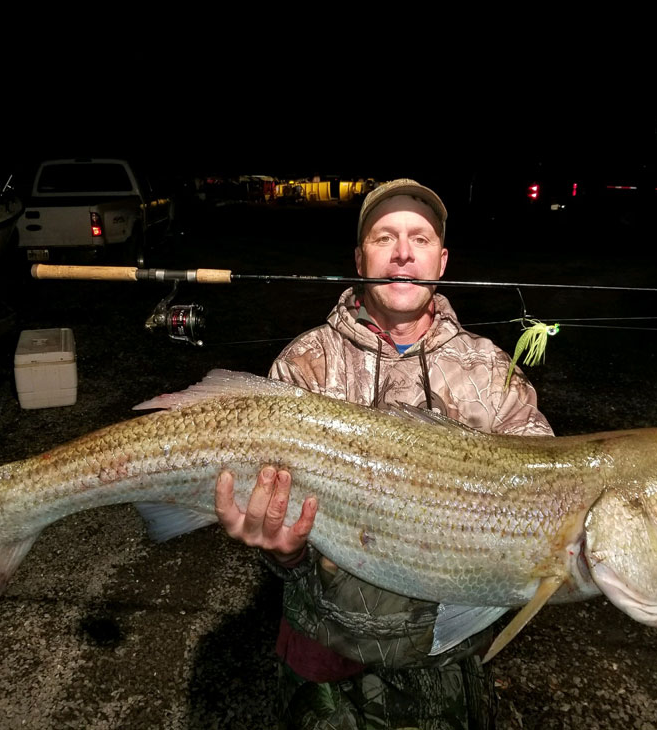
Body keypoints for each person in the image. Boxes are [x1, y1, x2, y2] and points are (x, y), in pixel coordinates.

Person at [214, 179, 553, 729]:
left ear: (441, 261)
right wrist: (281, 551)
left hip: (444, 661)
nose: (402, 252)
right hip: (324, 658)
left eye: (419, 238)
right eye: (384, 237)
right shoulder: (305, 365)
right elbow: (277, 549)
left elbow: (545, 498)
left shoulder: (492, 373)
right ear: (359, 258)